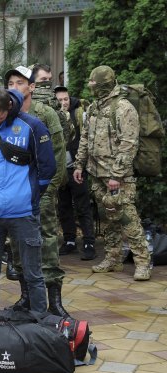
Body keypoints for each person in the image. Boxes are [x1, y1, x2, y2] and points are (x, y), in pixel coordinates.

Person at [0, 86, 56, 314]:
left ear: (9, 106)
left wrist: (29, 195)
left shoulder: (32, 126)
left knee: (33, 275)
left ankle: (39, 322)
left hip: (23, 213)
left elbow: (48, 168)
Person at [73, 65, 151, 281]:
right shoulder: (95, 107)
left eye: (93, 83)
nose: (90, 86)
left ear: (104, 84)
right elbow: (85, 138)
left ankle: (143, 262)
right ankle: (113, 258)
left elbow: (129, 144)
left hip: (118, 176)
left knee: (127, 217)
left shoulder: (123, 107)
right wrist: (79, 164)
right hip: (97, 173)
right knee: (108, 218)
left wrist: (116, 175)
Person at [6, 65, 70, 318]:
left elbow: (58, 156)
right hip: (15, 196)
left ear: (32, 87)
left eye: (19, 82)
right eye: (10, 83)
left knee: (48, 242)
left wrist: (50, 189)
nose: (14, 87)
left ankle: (54, 299)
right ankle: (26, 297)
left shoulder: (45, 114)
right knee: (18, 245)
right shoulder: (5, 115)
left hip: (41, 193)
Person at [54, 85, 96, 260]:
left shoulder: (79, 113)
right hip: (60, 170)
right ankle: (69, 240)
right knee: (63, 207)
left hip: (76, 169)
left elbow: (85, 139)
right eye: (60, 100)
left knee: (82, 206)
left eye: (66, 99)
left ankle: (89, 243)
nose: (64, 103)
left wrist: (81, 164)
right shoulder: (53, 116)